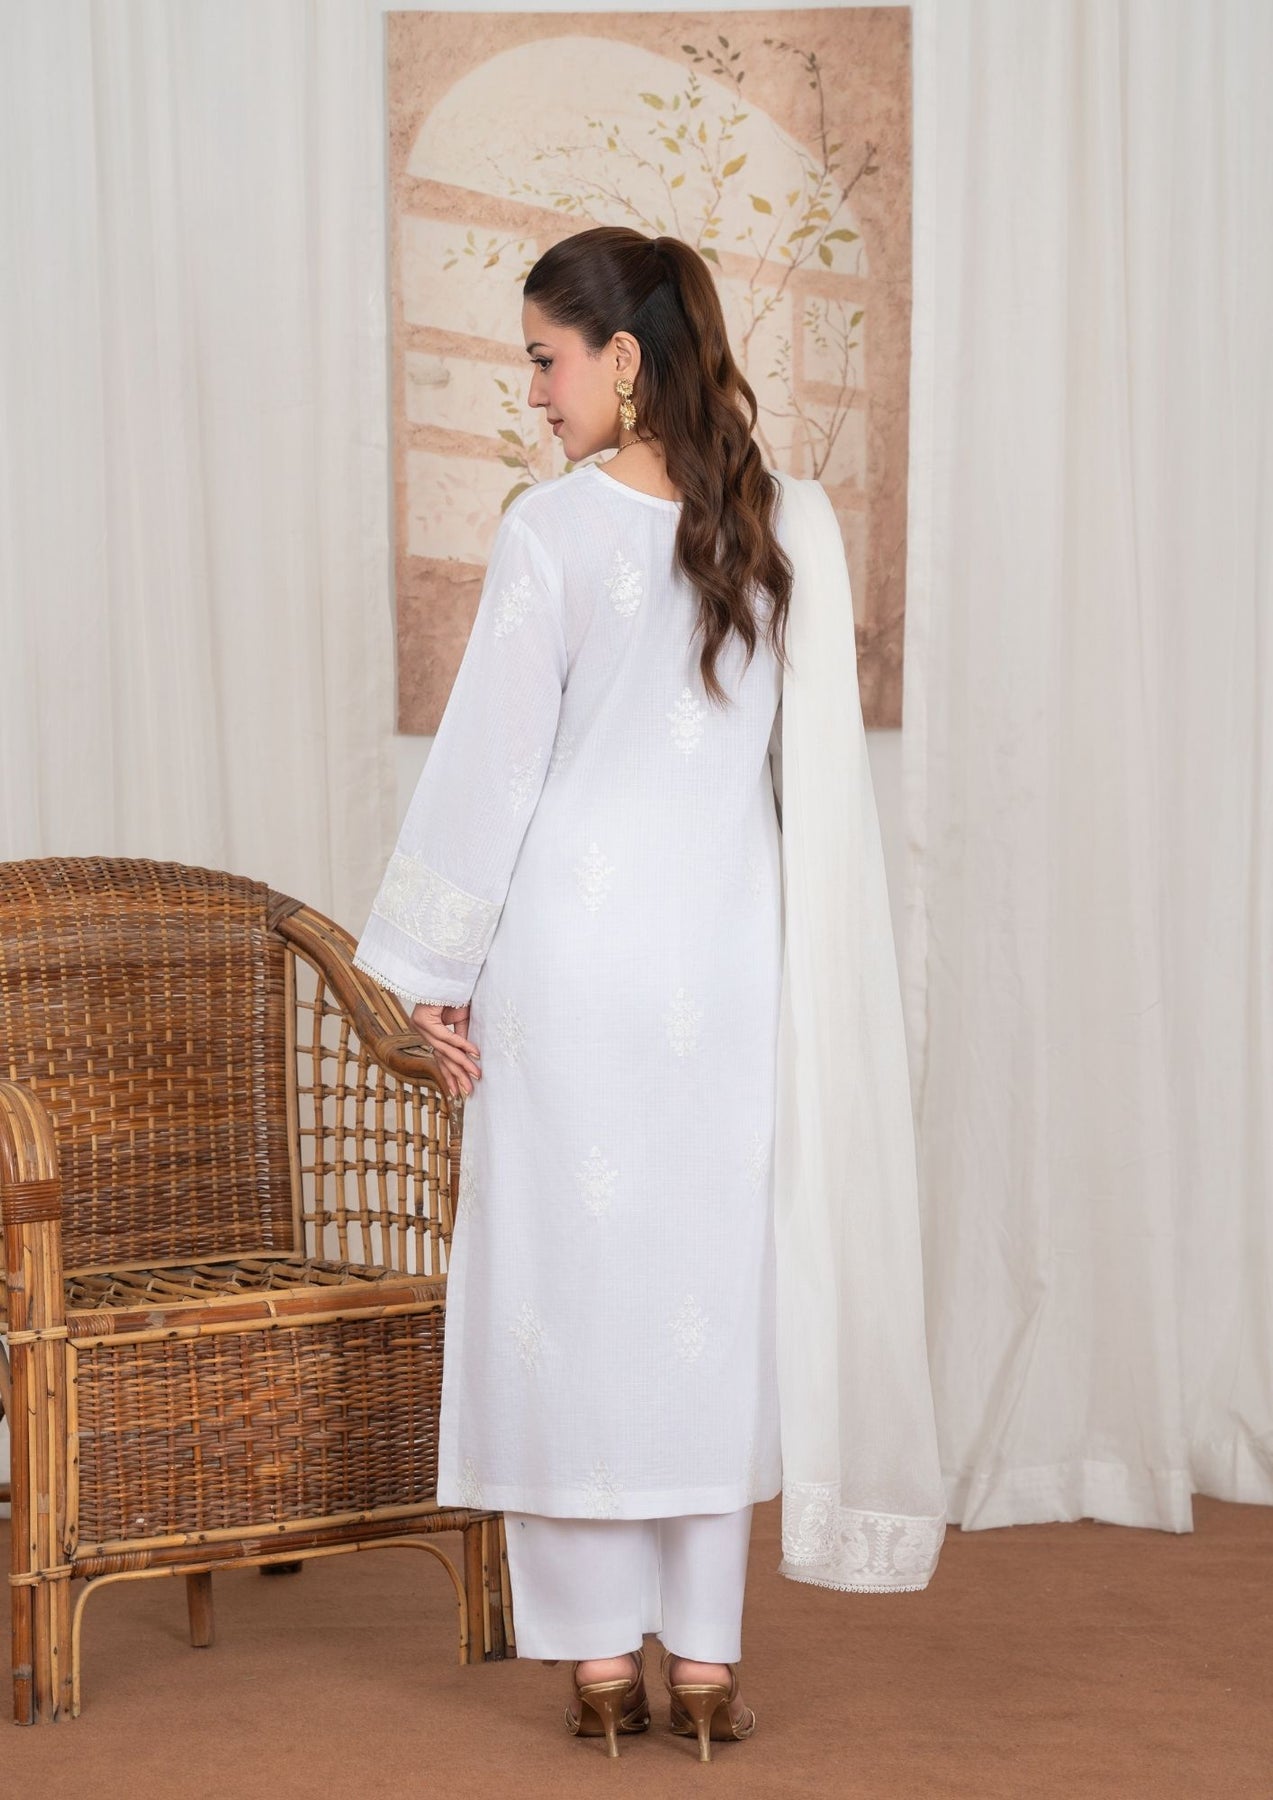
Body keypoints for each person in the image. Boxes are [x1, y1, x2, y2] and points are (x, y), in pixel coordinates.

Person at [354, 225, 946, 1762]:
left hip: (572, 964)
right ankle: (705, 1666)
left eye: (544, 359)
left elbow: (492, 768)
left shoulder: (551, 533)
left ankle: (599, 1667)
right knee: (701, 1307)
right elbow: (805, 782)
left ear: (621, 359)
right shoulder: (785, 520)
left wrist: (431, 971)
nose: (531, 390)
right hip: (726, 967)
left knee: (573, 1297)